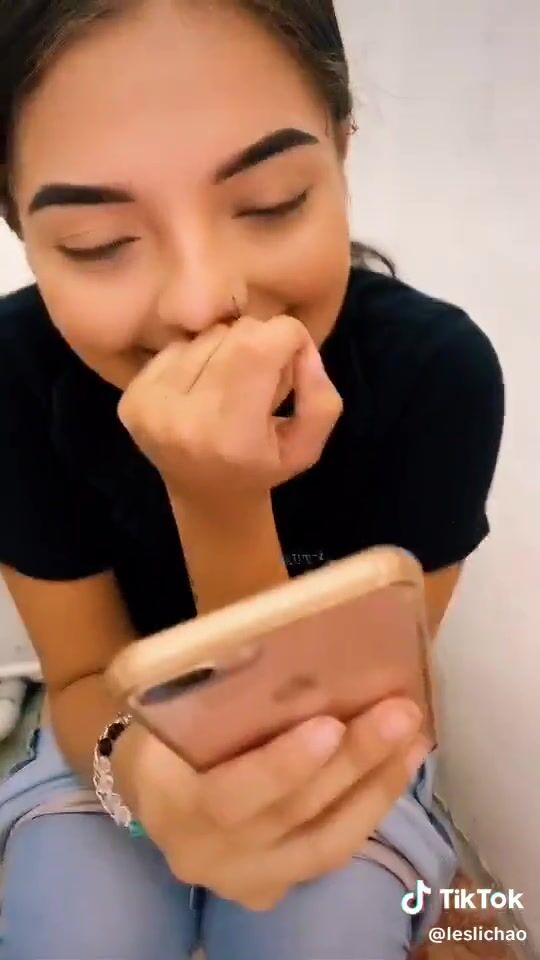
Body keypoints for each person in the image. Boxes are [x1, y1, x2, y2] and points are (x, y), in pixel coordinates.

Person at [0, 2, 504, 958]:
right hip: (109, 736)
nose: (201, 304)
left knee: (331, 927)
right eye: (98, 242)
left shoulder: (433, 373)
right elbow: (80, 678)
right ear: (19, 222)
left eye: (271, 202)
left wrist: (220, 503)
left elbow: (343, 724)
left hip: (342, 741)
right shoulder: (17, 377)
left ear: (342, 151)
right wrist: (141, 789)